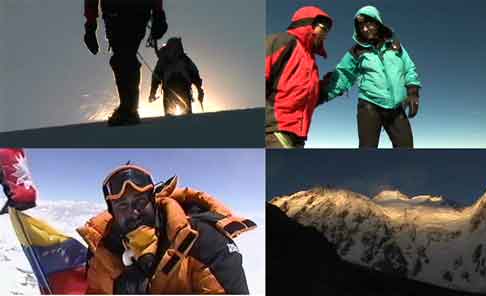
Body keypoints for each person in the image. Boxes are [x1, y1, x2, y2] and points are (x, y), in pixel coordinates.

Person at [77, 164, 255, 294]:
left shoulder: (203, 241)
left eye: (140, 201)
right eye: (122, 206)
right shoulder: (102, 251)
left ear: (153, 202)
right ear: (112, 213)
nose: (134, 212)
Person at [322, 5, 422, 148]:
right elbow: (344, 75)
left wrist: (413, 92)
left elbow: (409, 68)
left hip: (395, 108)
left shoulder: (395, 46)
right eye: (361, 26)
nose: (365, 29)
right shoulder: (356, 51)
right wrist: (323, 94)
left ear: (377, 22)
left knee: (406, 146)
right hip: (369, 106)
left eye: (368, 24)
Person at [83, 0, 168, 126]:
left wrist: (90, 26)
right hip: (132, 11)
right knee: (124, 57)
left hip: (120, 12)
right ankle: (128, 107)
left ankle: (128, 109)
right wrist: (158, 13)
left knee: (123, 57)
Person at [265, 6, 333, 148]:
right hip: (275, 129)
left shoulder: (310, 61)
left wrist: (328, 85)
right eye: (323, 28)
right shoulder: (283, 41)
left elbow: (307, 97)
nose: (326, 35)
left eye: (328, 31)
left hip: (298, 136)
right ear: (307, 24)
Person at [148, 37, 204, 116]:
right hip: (184, 90)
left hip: (169, 91)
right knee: (187, 118)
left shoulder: (163, 60)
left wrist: (152, 93)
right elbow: (195, 75)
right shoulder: (185, 60)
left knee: (170, 118)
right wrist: (200, 90)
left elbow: (155, 78)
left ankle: (170, 127)